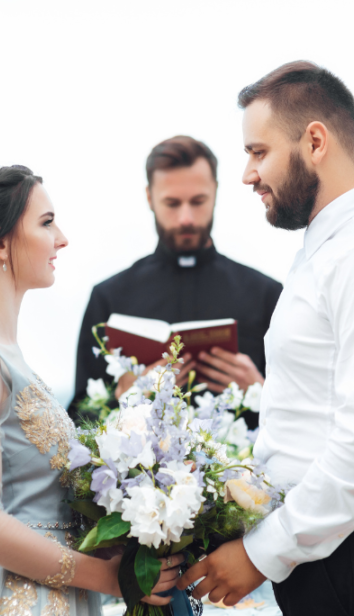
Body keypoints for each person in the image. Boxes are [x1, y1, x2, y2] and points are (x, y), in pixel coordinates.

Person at [178, 62, 354, 615]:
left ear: (316, 141)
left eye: (258, 152)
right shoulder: (331, 251)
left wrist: (263, 553)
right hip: (336, 549)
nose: (248, 175)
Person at [0, 159, 183, 616]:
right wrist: (108, 578)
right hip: (19, 600)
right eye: (46, 223)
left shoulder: (3, 352)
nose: (62, 237)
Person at [70, 136, 283, 427]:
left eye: (198, 201)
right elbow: (79, 418)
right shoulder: (109, 297)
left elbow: (306, 411)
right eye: (172, 203)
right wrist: (128, 397)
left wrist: (261, 390)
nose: (186, 218)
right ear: (149, 197)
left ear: (216, 192)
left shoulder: (266, 294)